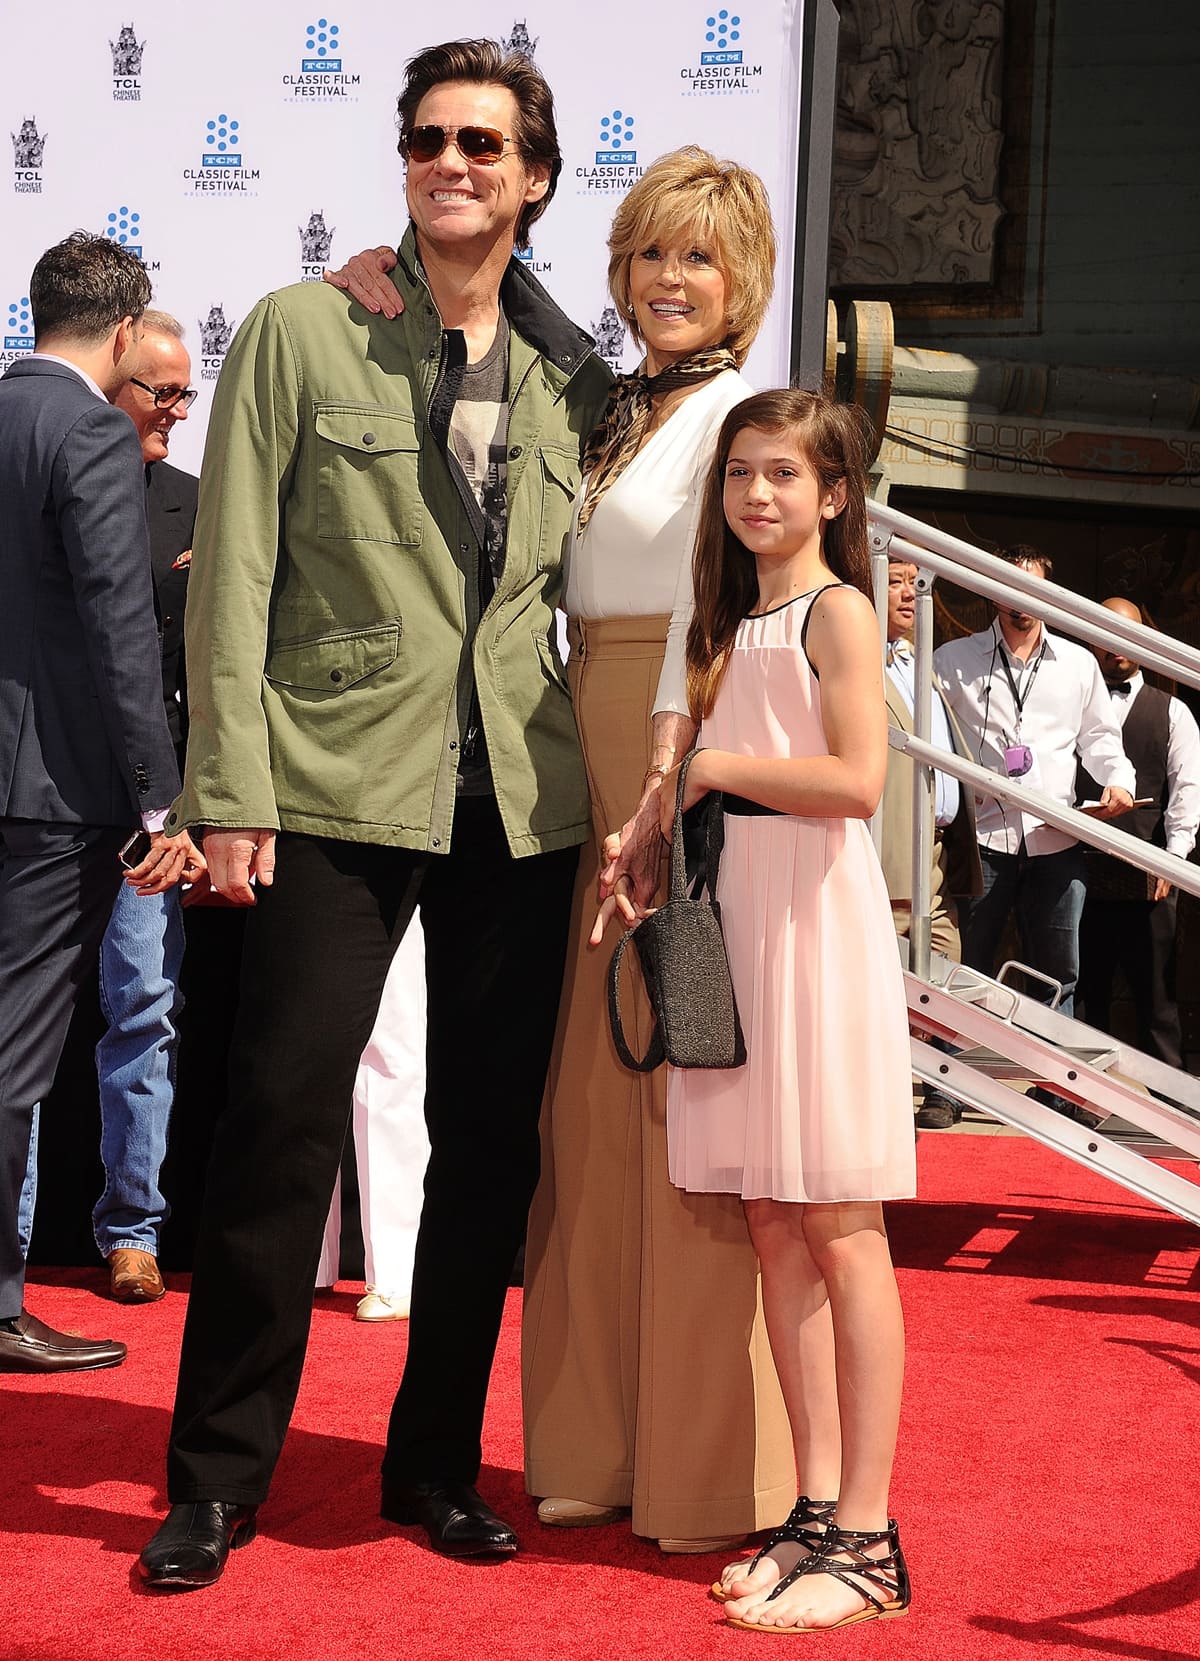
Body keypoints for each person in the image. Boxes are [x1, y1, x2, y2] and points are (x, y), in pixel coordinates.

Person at [136, 38, 611, 1592]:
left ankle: (432, 1465)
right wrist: (230, 792)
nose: (452, 163)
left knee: (485, 1150)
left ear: (534, 176)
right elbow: (238, 572)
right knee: (276, 1130)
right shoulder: (300, 329)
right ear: (401, 159)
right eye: (429, 139)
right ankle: (213, 1479)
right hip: (332, 786)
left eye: (485, 144)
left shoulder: (565, 378)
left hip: (515, 803)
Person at [328, 146, 794, 1554]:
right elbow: (503, 308)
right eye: (650, 254)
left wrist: (670, 788)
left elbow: (745, 613)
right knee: (589, 1133)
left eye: (698, 259)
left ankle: (709, 1467)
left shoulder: (739, 423)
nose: (668, 281)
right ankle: (595, 1449)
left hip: (671, 764)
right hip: (568, 773)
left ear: (746, 282)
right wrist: (383, 284)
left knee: (686, 1120)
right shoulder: (613, 412)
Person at [667, 389, 915, 1632]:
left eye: (784, 475)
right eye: (741, 474)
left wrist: (711, 766)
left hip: (814, 919)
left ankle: (869, 1536)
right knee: (772, 1220)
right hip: (740, 921)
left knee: (839, 1224)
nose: (759, 494)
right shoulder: (734, 614)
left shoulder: (839, 610)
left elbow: (859, 781)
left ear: (834, 495)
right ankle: (812, 1514)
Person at [0, 233, 197, 1375]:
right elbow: (125, 635)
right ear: (124, 333)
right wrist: (158, 805)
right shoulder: (87, 432)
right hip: (50, 794)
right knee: (18, 1057)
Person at [933, 547, 1135, 1037]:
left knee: (1059, 974)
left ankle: (1055, 1089)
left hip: (1055, 838)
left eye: (1032, 589)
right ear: (989, 589)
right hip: (982, 837)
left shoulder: (1078, 663)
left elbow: (1100, 739)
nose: (1019, 601)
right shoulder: (952, 660)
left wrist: (1118, 780)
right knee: (967, 964)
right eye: (1007, 586)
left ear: (1049, 594)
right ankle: (950, 1083)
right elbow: (930, 738)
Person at [879, 556, 981, 1128]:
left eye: (914, 584)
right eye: (894, 582)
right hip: (890, 845)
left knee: (944, 963)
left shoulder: (921, 664)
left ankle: (945, 1084)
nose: (906, 594)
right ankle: (888, 1085)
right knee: (885, 969)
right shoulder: (856, 665)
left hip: (938, 850)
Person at [1077, 596, 1200, 1068]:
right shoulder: (1073, 701)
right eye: (1106, 635)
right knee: (1086, 993)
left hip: (1150, 875)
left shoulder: (1172, 712)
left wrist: (1174, 857)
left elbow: (1187, 789)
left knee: (1157, 999)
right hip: (1078, 870)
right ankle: (1080, 1097)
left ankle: (1173, 1110)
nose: (1116, 648)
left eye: (1126, 635)